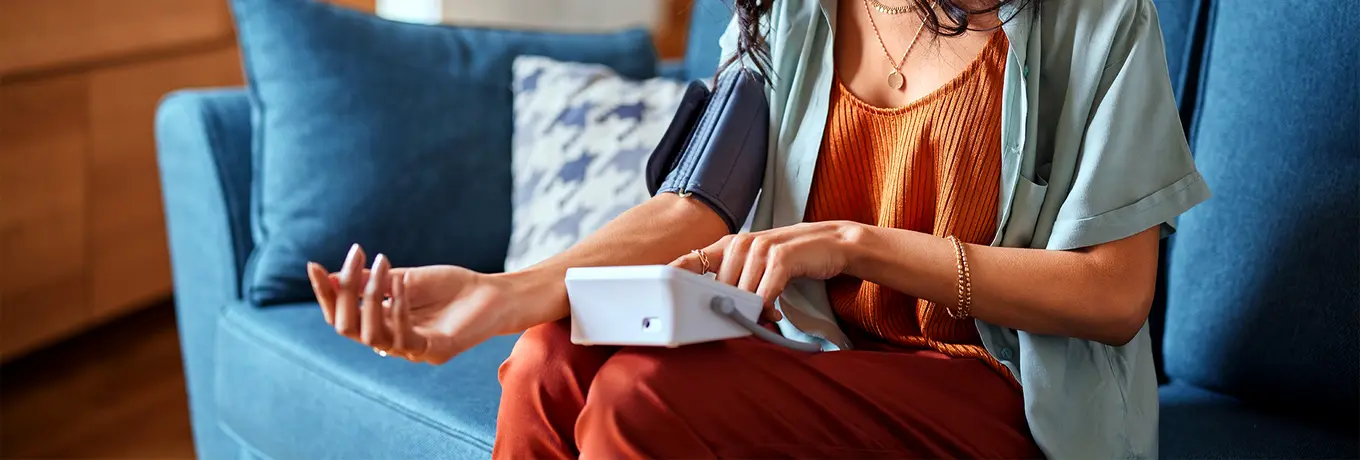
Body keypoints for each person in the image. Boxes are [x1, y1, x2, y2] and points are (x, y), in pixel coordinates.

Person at [305, 0, 1211, 457]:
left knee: (639, 399)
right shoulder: (790, 12)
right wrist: (497, 297)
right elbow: (695, 207)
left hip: (1001, 389)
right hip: (827, 358)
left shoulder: (1097, 19)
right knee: (549, 356)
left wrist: (850, 243)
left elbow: (1115, 294)